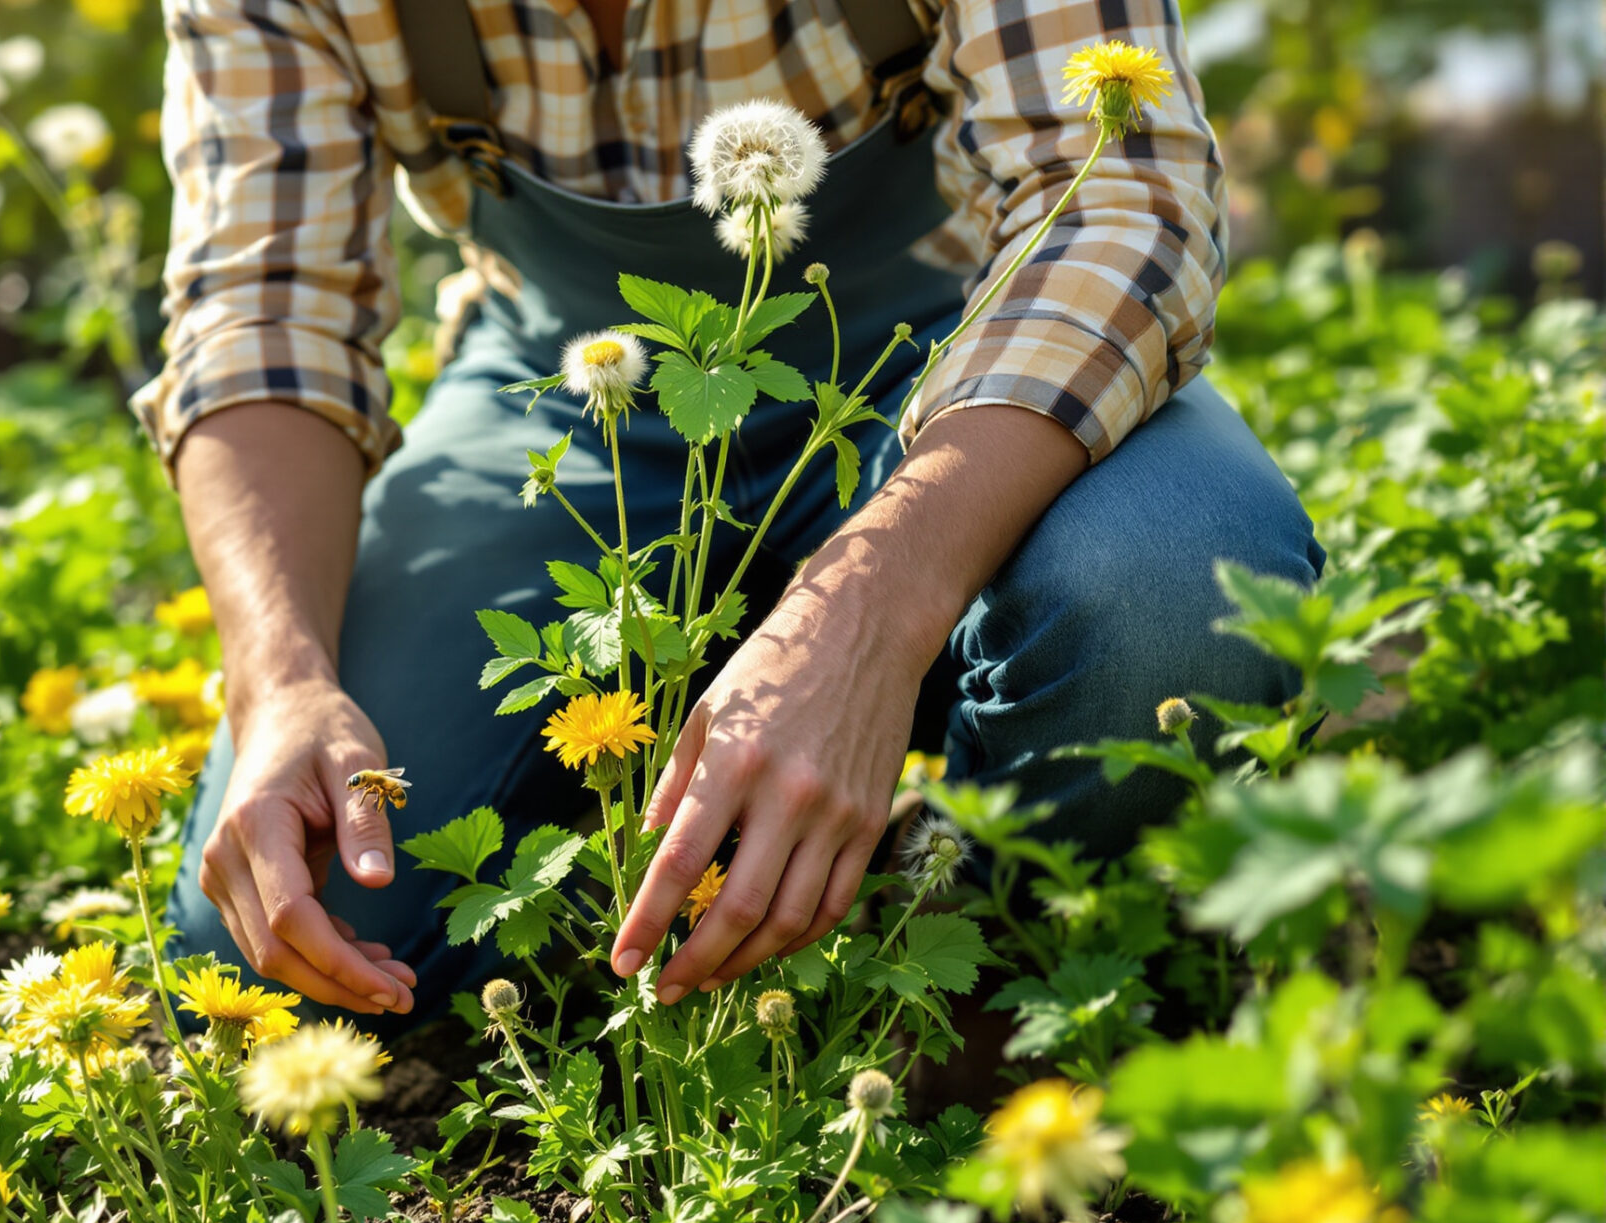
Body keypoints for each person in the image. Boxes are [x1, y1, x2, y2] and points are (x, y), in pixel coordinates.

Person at [133, 0, 1323, 1025]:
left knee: (1178, 588)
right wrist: (280, 678)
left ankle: (985, 966)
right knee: (295, 917)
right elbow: (259, 311)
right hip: (568, 396)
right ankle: (667, 849)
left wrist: (868, 607)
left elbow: (1117, 192)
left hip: (960, 358)